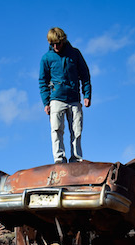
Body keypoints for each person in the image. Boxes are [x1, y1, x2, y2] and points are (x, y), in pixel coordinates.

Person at [39, 27, 91, 164]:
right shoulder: (46, 58)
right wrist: (46, 103)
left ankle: (76, 158)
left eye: (57, 43)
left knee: (77, 130)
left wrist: (87, 94)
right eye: (52, 44)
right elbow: (42, 81)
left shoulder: (74, 54)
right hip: (56, 99)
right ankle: (59, 159)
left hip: (74, 99)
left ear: (63, 40)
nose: (55, 46)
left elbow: (85, 75)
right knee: (56, 129)